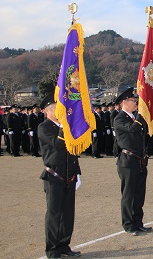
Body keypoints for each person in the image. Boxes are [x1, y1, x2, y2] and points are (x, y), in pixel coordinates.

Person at [38, 91, 82, 258]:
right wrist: (64, 127)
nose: (60, 112)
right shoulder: (44, 127)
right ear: (48, 110)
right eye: (57, 108)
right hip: (54, 175)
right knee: (54, 213)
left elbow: (73, 150)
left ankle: (64, 245)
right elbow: (57, 144)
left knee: (68, 213)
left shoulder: (65, 126)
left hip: (69, 173)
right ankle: (52, 249)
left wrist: (77, 172)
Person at [114, 87, 152, 236]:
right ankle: (129, 224)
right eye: (132, 100)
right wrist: (141, 115)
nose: (135, 102)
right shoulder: (119, 118)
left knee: (139, 194)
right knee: (128, 195)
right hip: (128, 161)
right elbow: (133, 129)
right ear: (124, 102)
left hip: (139, 160)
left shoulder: (134, 117)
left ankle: (138, 222)